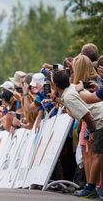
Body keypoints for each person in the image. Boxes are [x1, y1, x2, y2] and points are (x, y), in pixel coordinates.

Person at [51, 70, 103, 198]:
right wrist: (57, 99)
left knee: (97, 155)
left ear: (55, 86)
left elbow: (87, 115)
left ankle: (91, 188)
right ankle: (92, 187)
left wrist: (91, 130)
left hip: (100, 120)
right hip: (99, 117)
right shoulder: (73, 88)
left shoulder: (68, 96)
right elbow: (73, 102)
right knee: (96, 155)